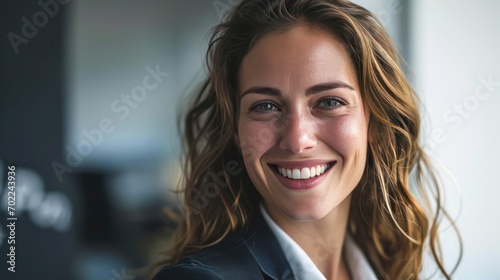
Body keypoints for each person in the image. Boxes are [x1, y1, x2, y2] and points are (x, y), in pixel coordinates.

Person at [151, 0, 461, 279]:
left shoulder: (386, 267)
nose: (297, 140)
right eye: (265, 106)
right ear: (235, 130)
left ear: (375, 122)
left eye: (329, 102)